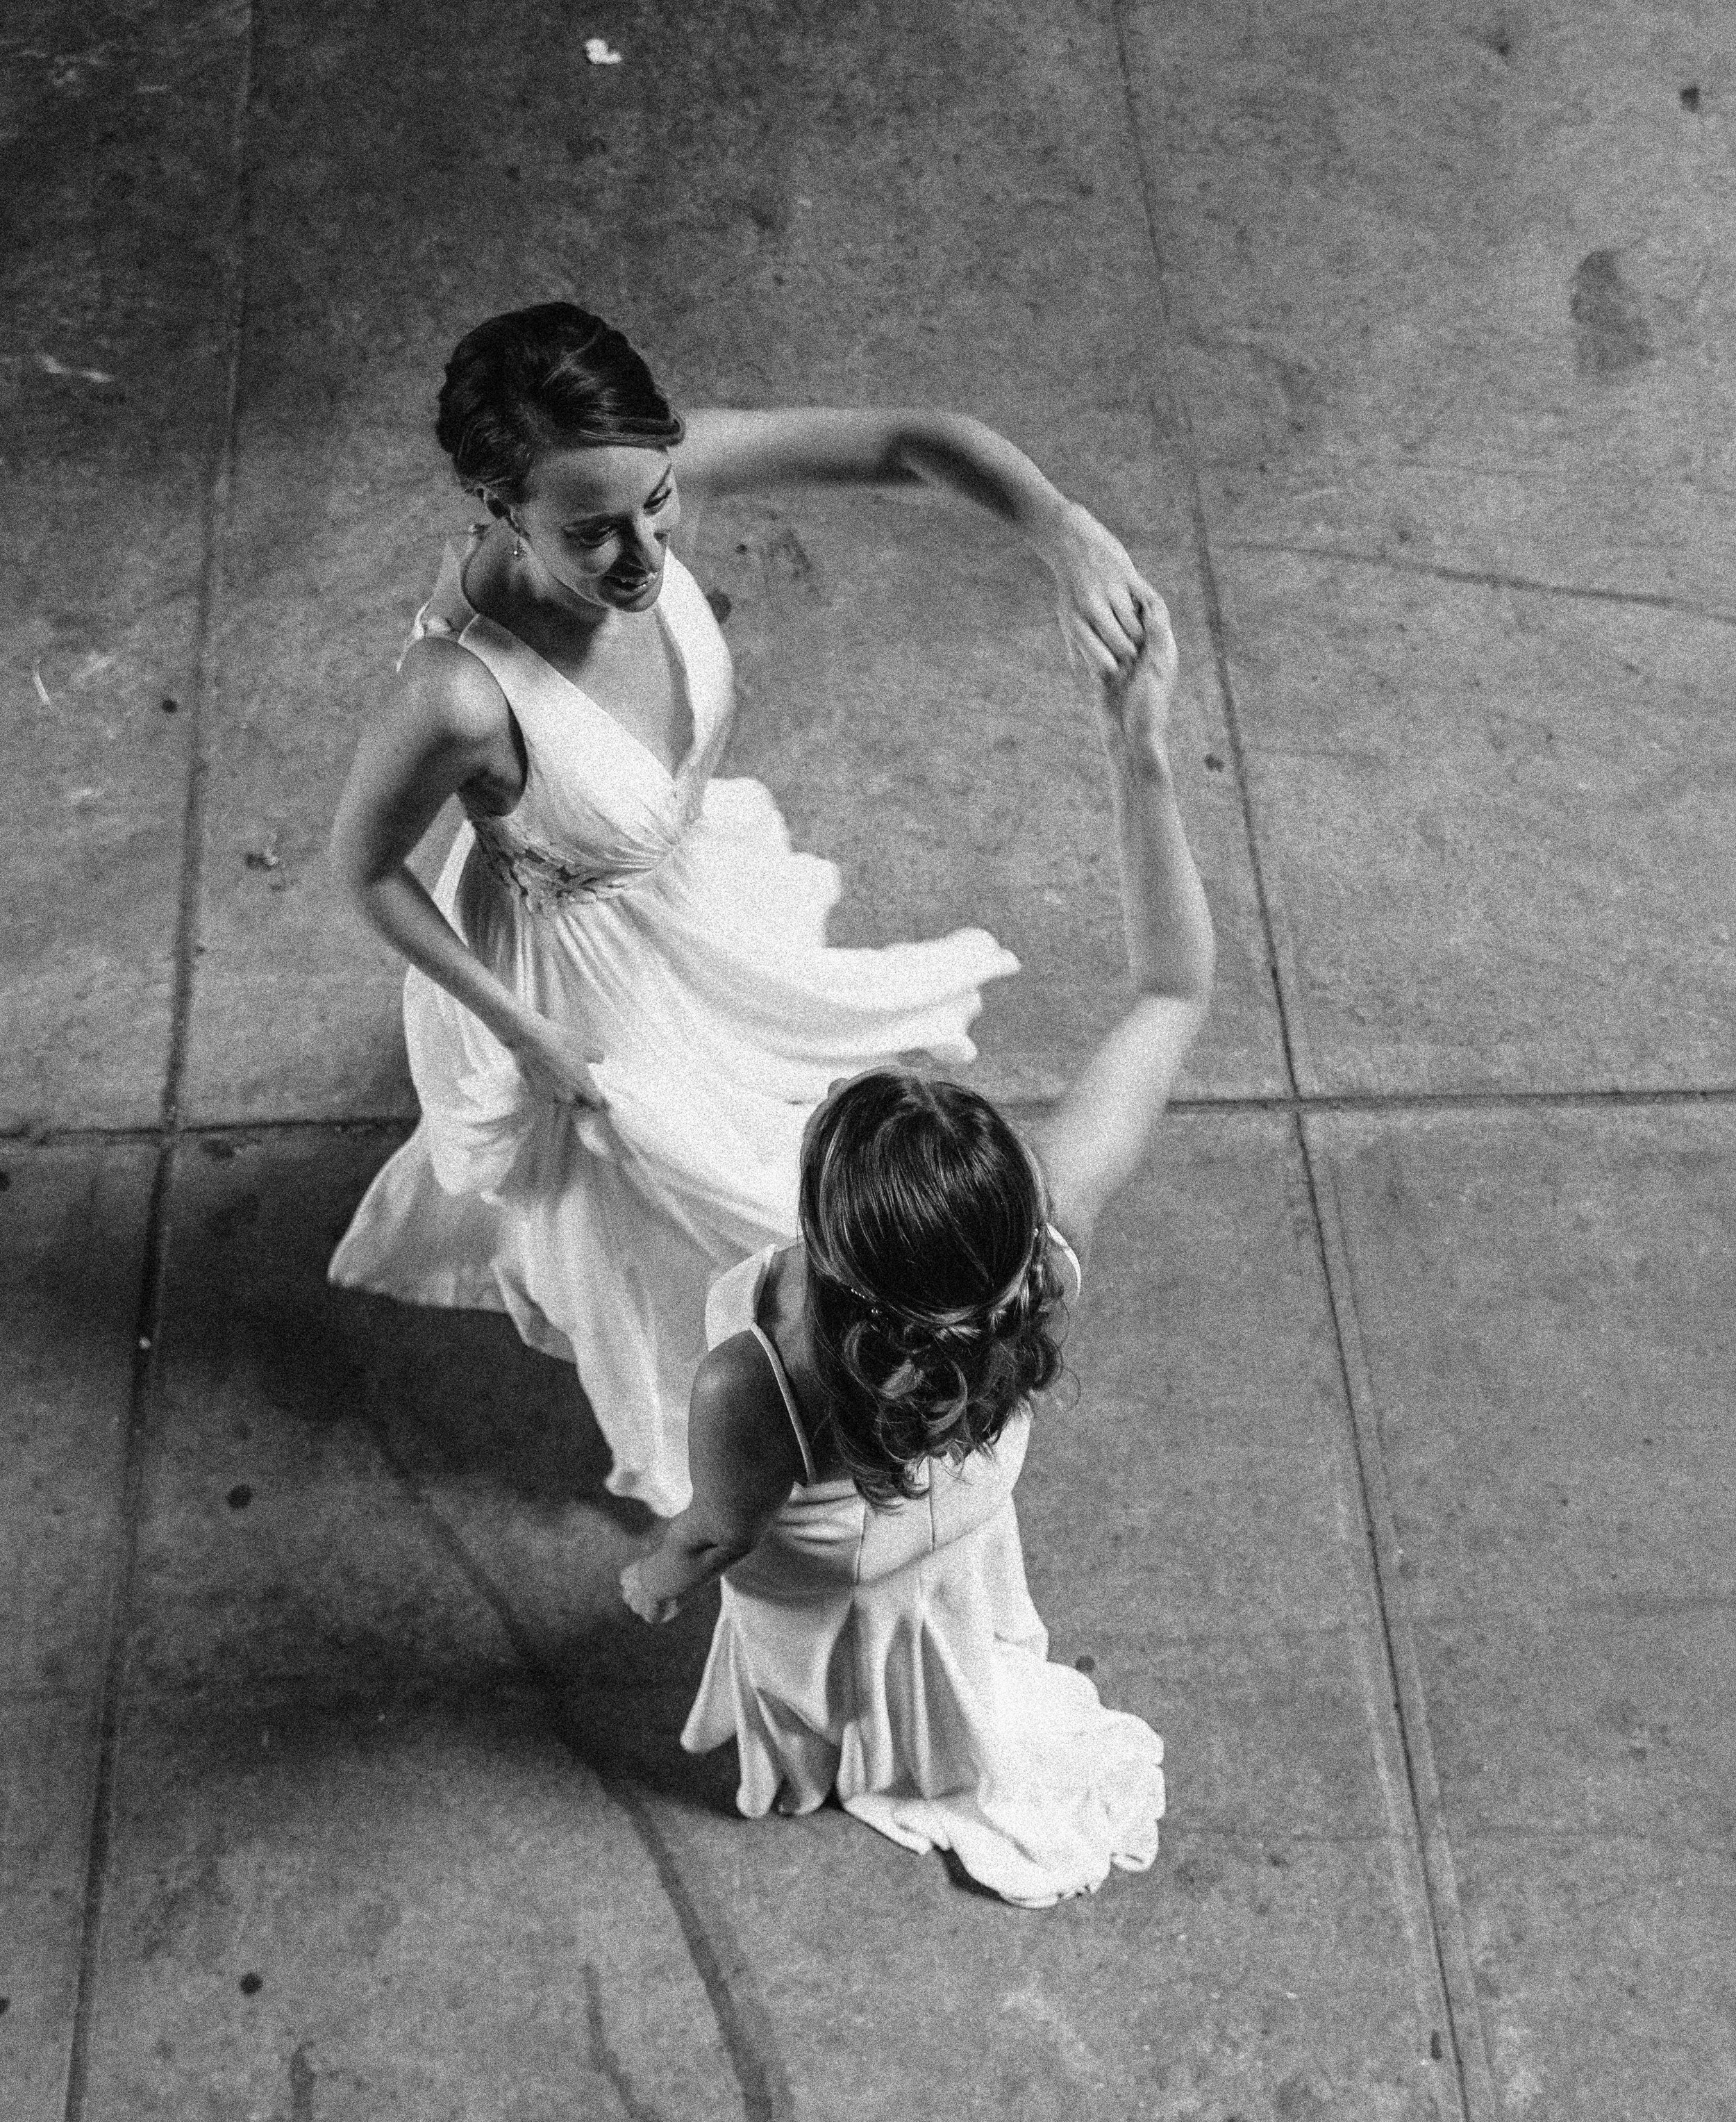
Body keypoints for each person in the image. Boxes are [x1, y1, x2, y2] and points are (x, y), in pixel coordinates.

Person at [328, 301, 1162, 1516]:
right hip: (583, 978)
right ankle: (738, 1415)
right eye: (592, 533)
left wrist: (1059, 528)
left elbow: (907, 441)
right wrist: (521, 1030)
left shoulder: (664, 475)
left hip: (684, 895)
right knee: (699, 1202)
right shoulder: (458, 695)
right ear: (500, 508)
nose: (644, 556)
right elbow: (366, 870)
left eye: (659, 504)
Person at [619, 611, 1212, 1908]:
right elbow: (1174, 991)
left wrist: (650, 1575)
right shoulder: (1045, 1249)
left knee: (786, 1610)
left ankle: (836, 1751)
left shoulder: (747, 1383)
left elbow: (716, 1532)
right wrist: (1143, 753)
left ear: (821, 1246)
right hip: (961, 1525)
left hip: (830, 1584)